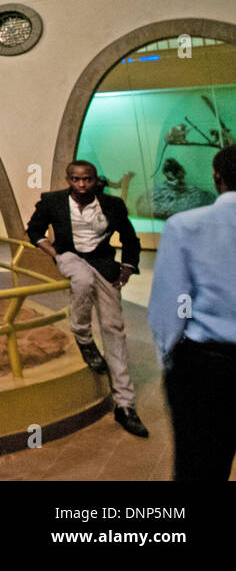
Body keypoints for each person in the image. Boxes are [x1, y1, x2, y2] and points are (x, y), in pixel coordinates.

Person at [27, 159, 148, 438]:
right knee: (81, 279)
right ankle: (82, 335)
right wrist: (54, 253)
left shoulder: (113, 205)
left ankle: (125, 404)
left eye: (87, 180)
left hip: (104, 263)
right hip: (69, 256)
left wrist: (127, 268)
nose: (82, 184)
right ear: (69, 180)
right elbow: (34, 231)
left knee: (114, 329)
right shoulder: (52, 201)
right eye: (76, 179)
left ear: (96, 181)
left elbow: (130, 239)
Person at [148, 145, 236, 480]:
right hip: (206, 365)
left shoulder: (185, 226)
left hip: (206, 369)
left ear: (217, 178)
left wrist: (170, 358)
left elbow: (170, 304)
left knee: (200, 468)